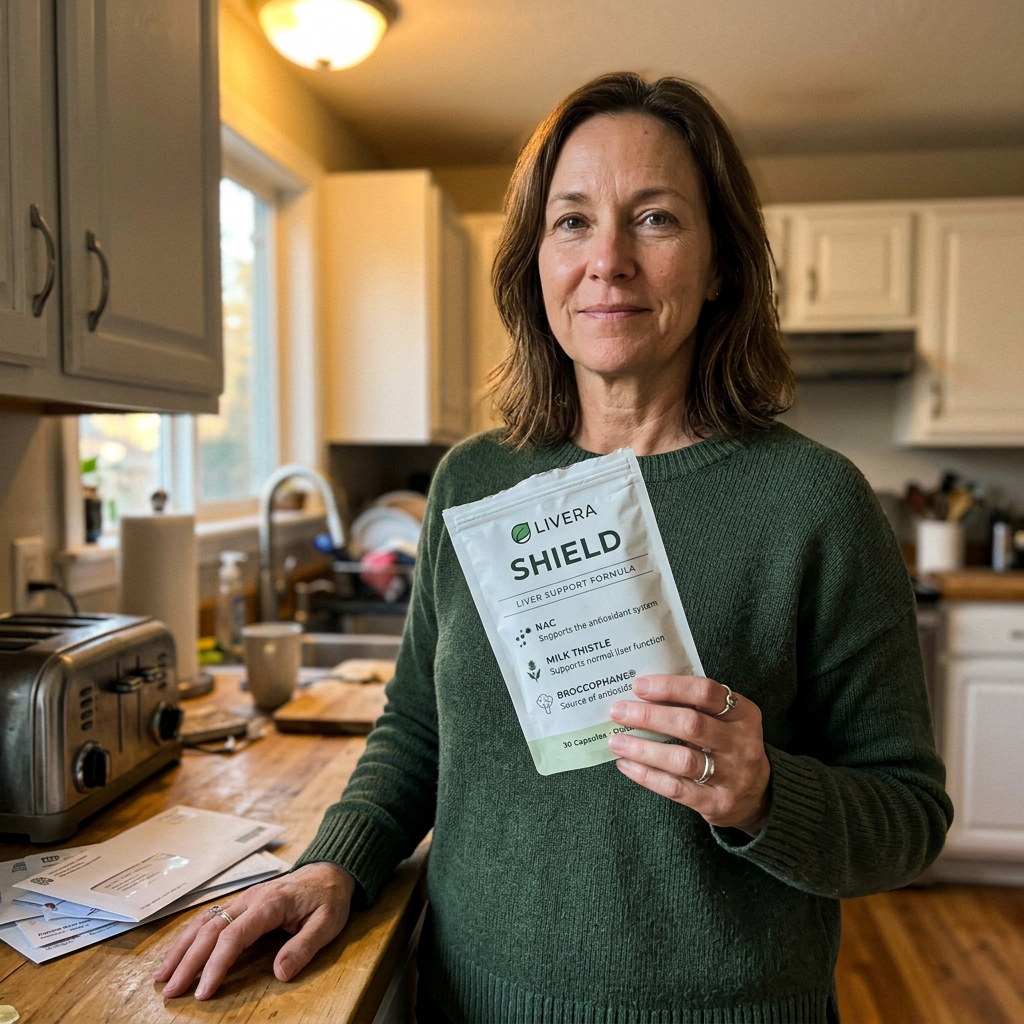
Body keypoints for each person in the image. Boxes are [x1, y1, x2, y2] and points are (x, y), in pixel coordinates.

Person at [155, 73, 952, 1021]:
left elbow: (908, 816)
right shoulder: (472, 482)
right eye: (572, 221)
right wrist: (335, 862)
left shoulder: (816, 504)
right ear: (536, 259)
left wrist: (765, 793)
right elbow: (417, 729)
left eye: (654, 219)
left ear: (723, 261)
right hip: (470, 999)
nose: (607, 259)